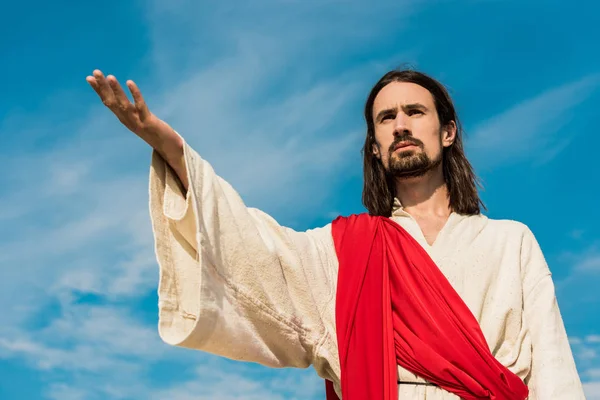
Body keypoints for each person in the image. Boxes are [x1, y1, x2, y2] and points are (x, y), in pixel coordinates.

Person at [86, 68, 586, 399]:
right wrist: (176, 153)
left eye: (415, 112)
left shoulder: (510, 241)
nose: (401, 125)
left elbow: (554, 367)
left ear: (447, 131)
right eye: (386, 118)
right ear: (374, 146)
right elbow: (254, 250)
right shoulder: (343, 254)